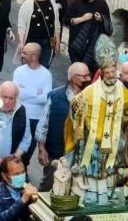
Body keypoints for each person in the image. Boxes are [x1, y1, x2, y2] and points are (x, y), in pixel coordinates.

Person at [66, 36, 128, 205]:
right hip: (94, 141)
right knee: (93, 171)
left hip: (114, 141)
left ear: (116, 71)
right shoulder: (91, 90)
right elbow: (75, 106)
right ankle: (92, 196)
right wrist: (76, 105)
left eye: (112, 73)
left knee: (109, 171)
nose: (110, 76)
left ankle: (107, 195)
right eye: (106, 73)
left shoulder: (121, 89)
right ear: (101, 73)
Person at [35, 62, 91, 192]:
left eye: (89, 75)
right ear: (73, 78)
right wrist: (41, 149)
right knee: (49, 189)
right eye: (85, 76)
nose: (88, 79)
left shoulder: (91, 97)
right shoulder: (55, 96)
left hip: (82, 157)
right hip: (56, 155)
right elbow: (43, 124)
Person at [0, 81, 31, 190]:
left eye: (11, 98)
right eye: (4, 97)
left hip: (9, 168)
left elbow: (26, 139)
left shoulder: (21, 111)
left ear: (16, 98)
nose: (7, 102)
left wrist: (11, 161)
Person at [12, 43, 52, 165]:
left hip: (35, 119)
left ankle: (23, 171)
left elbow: (45, 98)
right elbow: (16, 93)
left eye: (25, 53)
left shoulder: (46, 75)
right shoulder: (19, 71)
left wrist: (25, 92)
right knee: (15, 147)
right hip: (19, 116)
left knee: (28, 150)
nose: (21, 55)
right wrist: (36, 92)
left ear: (34, 57)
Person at [65, 0, 112, 71]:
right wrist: (82, 19)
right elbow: (66, 21)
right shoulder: (76, 3)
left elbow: (108, 23)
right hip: (76, 46)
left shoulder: (102, 3)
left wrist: (101, 19)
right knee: (78, 74)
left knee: (89, 76)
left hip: (94, 47)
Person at [17, 0, 60, 69]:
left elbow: (56, 25)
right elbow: (22, 25)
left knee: (44, 68)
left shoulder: (53, 4)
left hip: (48, 43)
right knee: (30, 68)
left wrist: (56, 43)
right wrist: (22, 42)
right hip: (32, 42)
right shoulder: (28, 3)